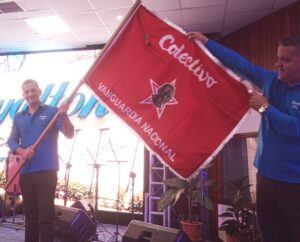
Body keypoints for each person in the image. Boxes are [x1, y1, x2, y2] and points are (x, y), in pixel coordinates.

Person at [187, 32, 300, 242]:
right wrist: (207, 43)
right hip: (266, 178)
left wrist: (265, 107)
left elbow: (295, 129)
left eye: (286, 60)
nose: (278, 64)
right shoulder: (270, 80)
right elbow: (241, 64)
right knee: (272, 236)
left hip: (295, 184)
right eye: (278, 58)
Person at [7, 79, 74, 242]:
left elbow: (69, 133)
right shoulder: (19, 117)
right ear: (23, 95)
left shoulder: (53, 112)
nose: (30, 94)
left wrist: (64, 115)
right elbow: (12, 141)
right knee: (30, 215)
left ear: (39, 91)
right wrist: (22, 151)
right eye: (27, 91)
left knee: (46, 215)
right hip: (26, 170)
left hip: (47, 170)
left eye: (33, 90)